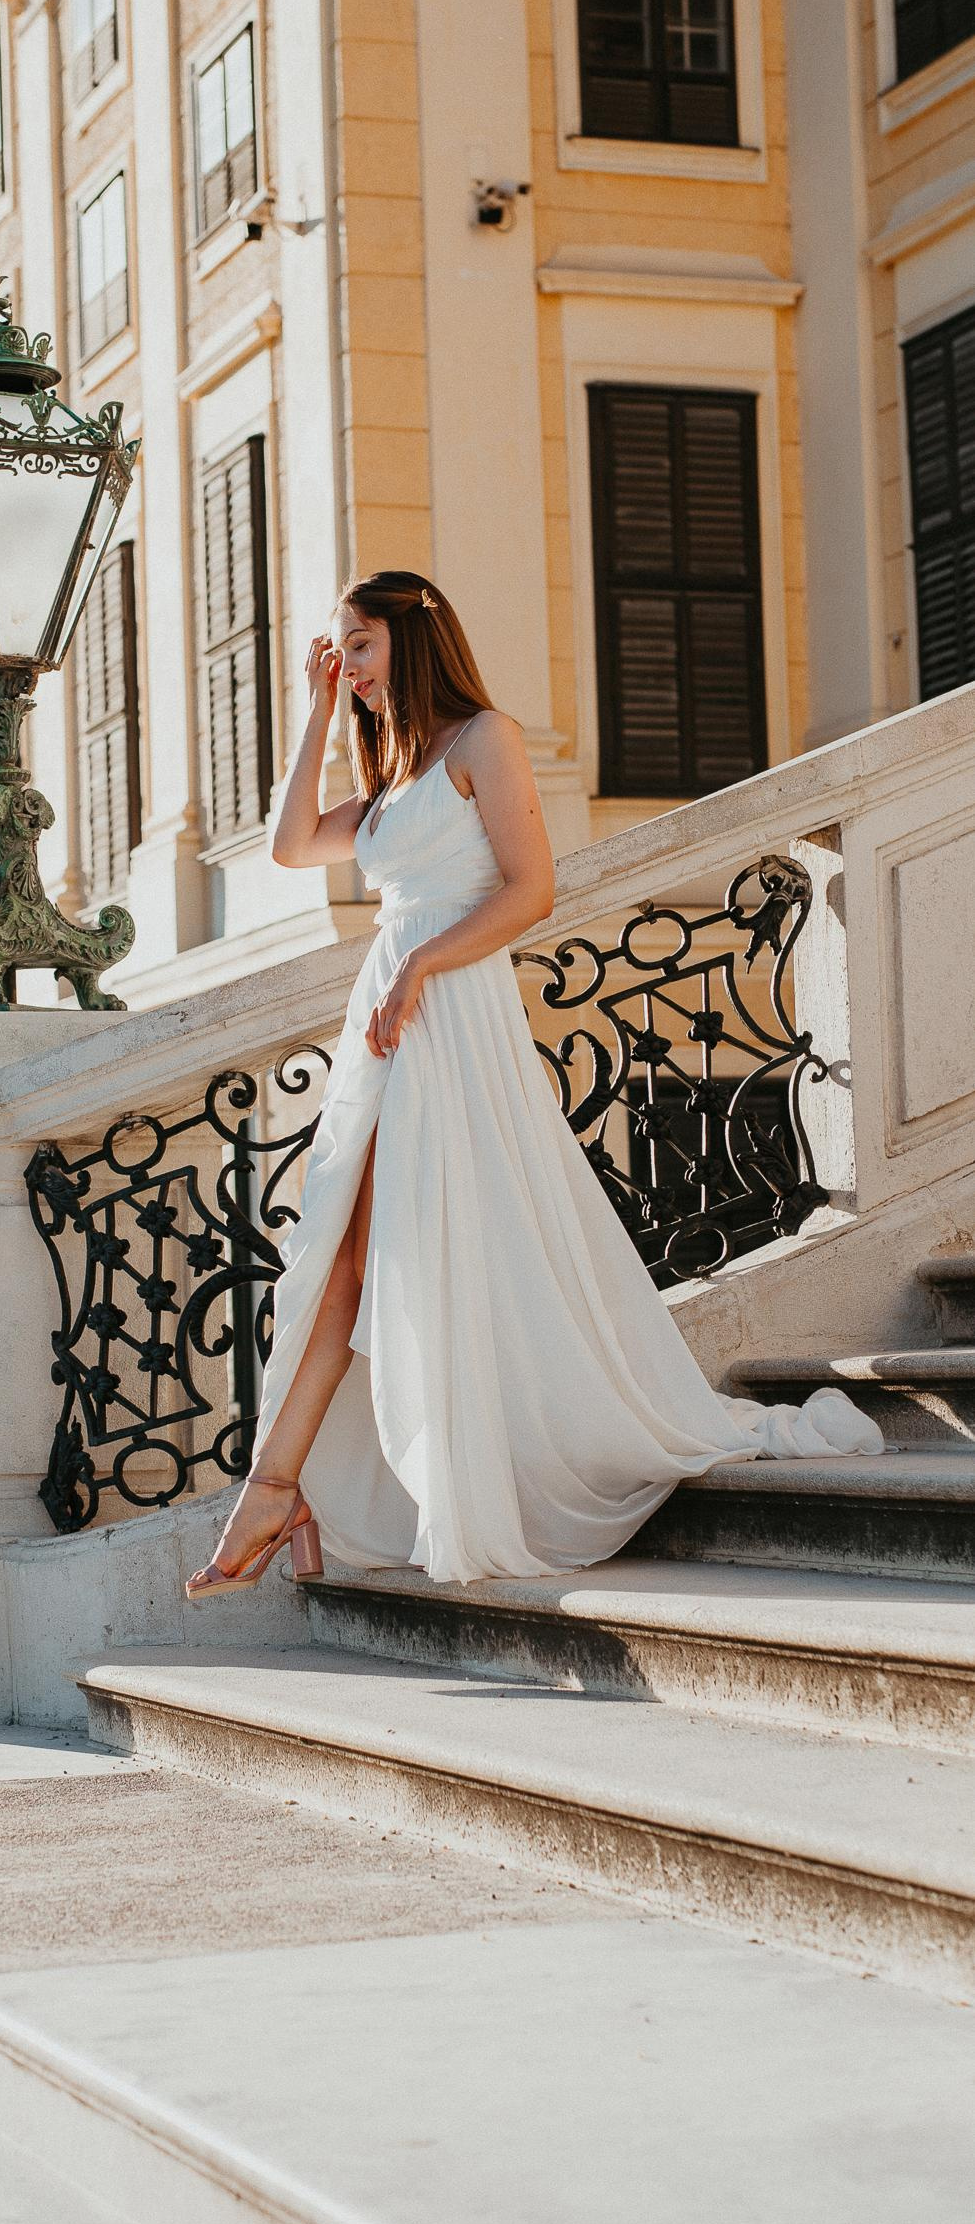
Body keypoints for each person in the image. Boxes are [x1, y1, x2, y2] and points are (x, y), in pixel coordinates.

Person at [186, 571, 882, 1599]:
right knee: (342, 1257)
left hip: (448, 1018)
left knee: (391, 1255)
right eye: (339, 649)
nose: (351, 666)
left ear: (413, 640)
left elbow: (531, 889)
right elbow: (292, 845)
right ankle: (278, 1485)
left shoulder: (483, 740)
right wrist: (317, 709)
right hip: (387, 1027)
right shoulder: (390, 775)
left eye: (361, 646)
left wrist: (423, 965)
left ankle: (282, 1486)